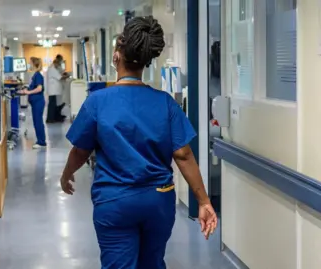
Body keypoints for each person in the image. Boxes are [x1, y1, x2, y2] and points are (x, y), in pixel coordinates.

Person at [60, 16, 218, 269]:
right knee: (153, 262)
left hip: (115, 201)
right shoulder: (165, 102)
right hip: (158, 201)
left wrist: (67, 173)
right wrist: (204, 201)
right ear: (146, 62)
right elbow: (183, 155)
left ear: (116, 57)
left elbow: (81, 150)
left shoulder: (98, 102)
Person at [20, 57, 47, 149]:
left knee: (38, 122)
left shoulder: (38, 75)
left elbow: (39, 88)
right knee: (37, 122)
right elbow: (33, 87)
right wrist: (26, 90)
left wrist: (28, 92)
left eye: (30, 63)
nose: (29, 65)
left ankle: (41, 142)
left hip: (38, 102)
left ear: (34, 64)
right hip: (36, 102)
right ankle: (41, 140)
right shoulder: (35, 75)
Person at [46, 54, 68, 123]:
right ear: (56, 61)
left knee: (56, 105)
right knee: (52, 105)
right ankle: (50, 119)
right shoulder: (52, 68)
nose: (60, 63)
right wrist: (67, 76)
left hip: (57, 90)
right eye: (60, 62)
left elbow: (61, 73)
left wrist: (64, 74)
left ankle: (56, 117)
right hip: (53, 91)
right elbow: (60, 77)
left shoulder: (57, 67)